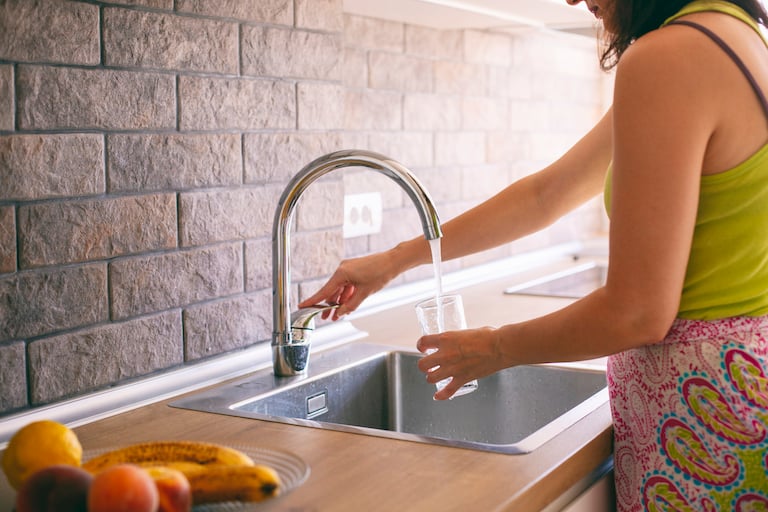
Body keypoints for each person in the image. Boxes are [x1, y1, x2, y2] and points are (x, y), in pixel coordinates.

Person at [300, 0, 768, 509]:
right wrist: (395, 260)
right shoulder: (734, 36)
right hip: (737, 390)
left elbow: (637, 312)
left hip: (704, 412)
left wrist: (496, 349)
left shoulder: (669, 57)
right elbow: (547, 196)